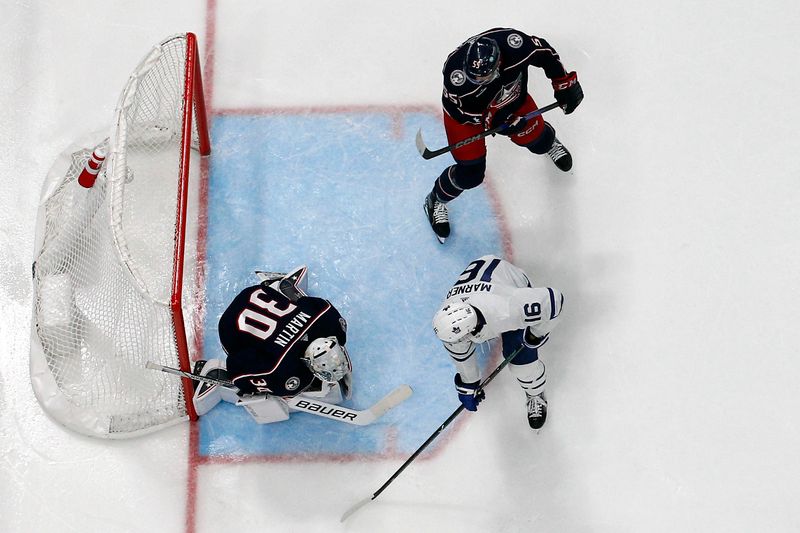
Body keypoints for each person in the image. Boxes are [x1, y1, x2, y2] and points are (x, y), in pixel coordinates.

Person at [424, 28, 584, 243]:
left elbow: (545, 53)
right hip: (467, 119)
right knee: (471, 174)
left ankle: (547, 141)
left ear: (498, 63)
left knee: (538, 141)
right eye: (475, 78)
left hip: (512, 102)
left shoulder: (514, 45)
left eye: (484, 77)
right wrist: (498, 122)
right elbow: (461, 113)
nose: (478, 82)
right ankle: (436, 199)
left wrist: (564, 83)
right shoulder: (457, 79)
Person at [192, 265, 353, 424]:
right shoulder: (279, 370)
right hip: (231, 328)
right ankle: (215, 373)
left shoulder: (327, 317)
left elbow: (305, 303)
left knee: (295, 309)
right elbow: (236, 365)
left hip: (257, 293)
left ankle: (280, 287)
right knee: (261, 394)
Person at [432, 255, 564, 429]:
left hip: (510, 282)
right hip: (482, 284)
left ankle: (535, 394)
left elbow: (553, 301)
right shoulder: (449, 322)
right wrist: (468, 384)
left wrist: (535, 335)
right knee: (461, 345)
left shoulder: (508, 309)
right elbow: (460, 354)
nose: (456, 343)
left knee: (521, 365)